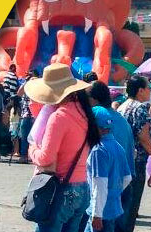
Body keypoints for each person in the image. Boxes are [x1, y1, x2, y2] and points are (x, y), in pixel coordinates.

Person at [24, 63, 101, 232]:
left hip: (61, 189)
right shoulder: (85, 113)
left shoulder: (59, 117)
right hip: (82, 187)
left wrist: (32, 149)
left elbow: (46, 158)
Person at [87, 80, 136, 231]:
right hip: (121, 189)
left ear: (94, 99)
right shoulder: (121, 119)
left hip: (101, 196)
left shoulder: (98, 145)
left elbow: (99, 181)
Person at [119, 75, 151, 232]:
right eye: (148, 87)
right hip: (136, 162)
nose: (150, 91)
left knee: (122, 204)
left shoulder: (122, 106)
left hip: (123, 161)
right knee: (132, 204)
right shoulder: (141, 108)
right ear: (140, 90)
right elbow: (143, 136)